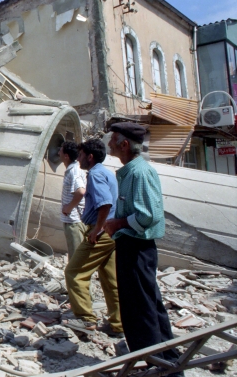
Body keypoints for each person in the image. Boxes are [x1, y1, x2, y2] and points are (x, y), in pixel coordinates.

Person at [104, 122, 183, 376]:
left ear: (124, 144)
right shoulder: (129, 171)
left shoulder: (139, 173)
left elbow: (149, 215)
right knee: (145, 304)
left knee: (141, 308)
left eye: (113, 139)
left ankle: (156, 363)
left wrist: (118, 223)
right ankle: (165, 361)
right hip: (130, 245)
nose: (109, 143)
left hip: (137, 247)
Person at [64, 138, 123, 337]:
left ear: (90, 156)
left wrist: (96, 230)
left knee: (74, 272)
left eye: (80, 155)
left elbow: (105, 204)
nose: (78, 159)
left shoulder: (96, 175)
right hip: (111, 232)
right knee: (110, 280)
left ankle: (85, 319)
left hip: (101, 232)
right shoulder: (107, 173)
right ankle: (118, 324)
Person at [58, 141, 87, 259]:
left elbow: (80, 191)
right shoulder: (73, 169)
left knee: (76, 258)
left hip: (74, 220)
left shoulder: (74, 171)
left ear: (66, 156)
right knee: (74, 256)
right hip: (72, 219)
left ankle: (77, 277)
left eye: (61, 150)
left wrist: (68, 208)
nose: (58, 152)